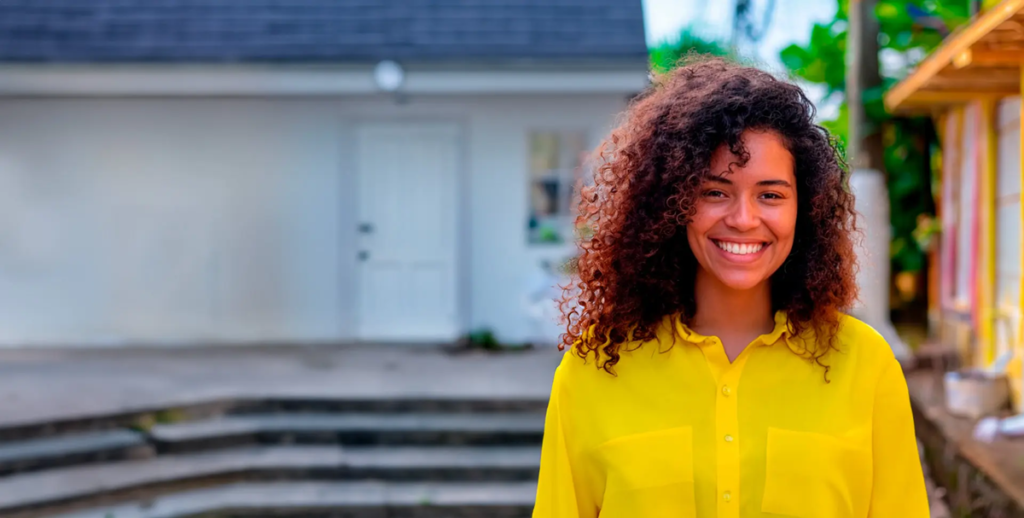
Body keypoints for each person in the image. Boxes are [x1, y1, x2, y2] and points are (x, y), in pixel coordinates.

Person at [533, 58, 929, 518]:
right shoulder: (593, 370)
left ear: (807, 208)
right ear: (671, 203)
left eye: (771, 194)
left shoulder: (866, 365)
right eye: (715, 192)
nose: (743, 219)